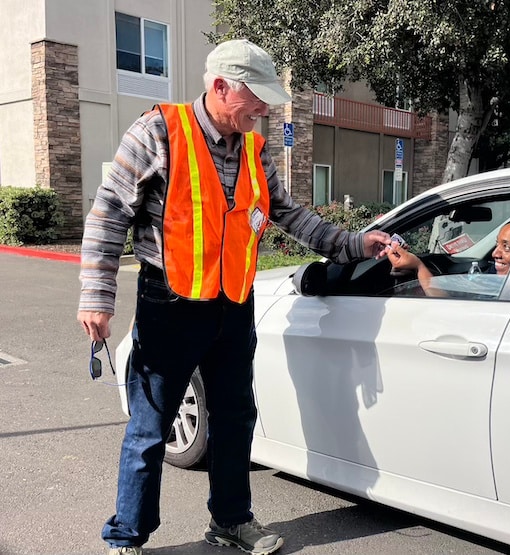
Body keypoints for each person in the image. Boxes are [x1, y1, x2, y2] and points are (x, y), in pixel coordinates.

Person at [77, 39, 390, 555]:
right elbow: (109, 213)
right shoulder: (157, 131)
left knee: (235, 417)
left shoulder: (253, 150)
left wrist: (355, 243)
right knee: (151, 426)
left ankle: (231, 522)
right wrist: (97, 296)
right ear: (220, 86)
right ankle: (127, 536)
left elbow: (291, 215)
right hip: (170, 304)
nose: (264, 109)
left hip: (233, 305)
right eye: (257, 97)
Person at [387, 217, 510, 296]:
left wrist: (419, 266)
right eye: (497, 244)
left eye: (506, 247)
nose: (495, 254)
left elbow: (445, 304)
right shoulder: (494, 275)